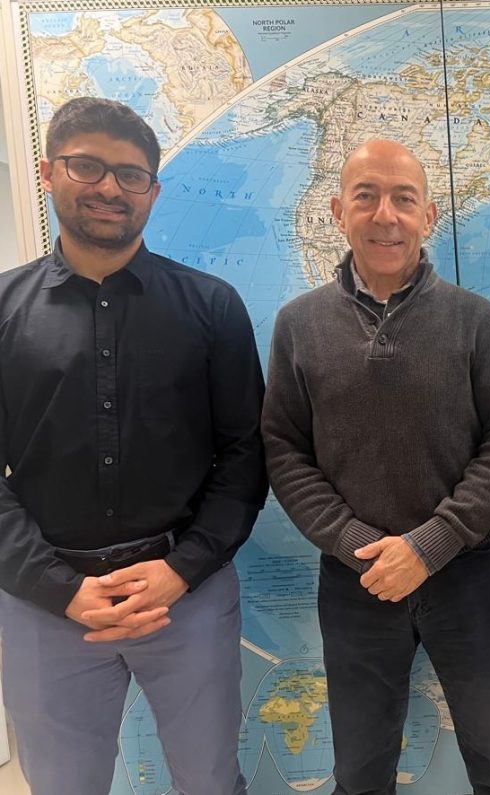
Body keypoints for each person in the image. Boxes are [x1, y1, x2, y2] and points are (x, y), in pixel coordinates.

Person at [0, 97, 266, 794]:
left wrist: (182, 569)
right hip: (45, 603)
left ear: (153, 189)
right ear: (47, 172)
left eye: (130, 174)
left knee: (211, 782)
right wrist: (60, 589)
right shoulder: (2, 312)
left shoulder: (211, 306)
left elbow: (245, 455)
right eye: (87, 166)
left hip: (186, 595)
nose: (110, 188)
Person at [261, 139, 490, 795]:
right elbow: (284, 449)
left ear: (428, 216)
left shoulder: (476, 321)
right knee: (360, 774)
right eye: (367, 196)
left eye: (404, 199)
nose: (386, 214)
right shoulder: (298, 325)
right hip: (357, 582)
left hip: (471, 578)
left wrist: (428, 545)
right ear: (338, 211)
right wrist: (359, 545)